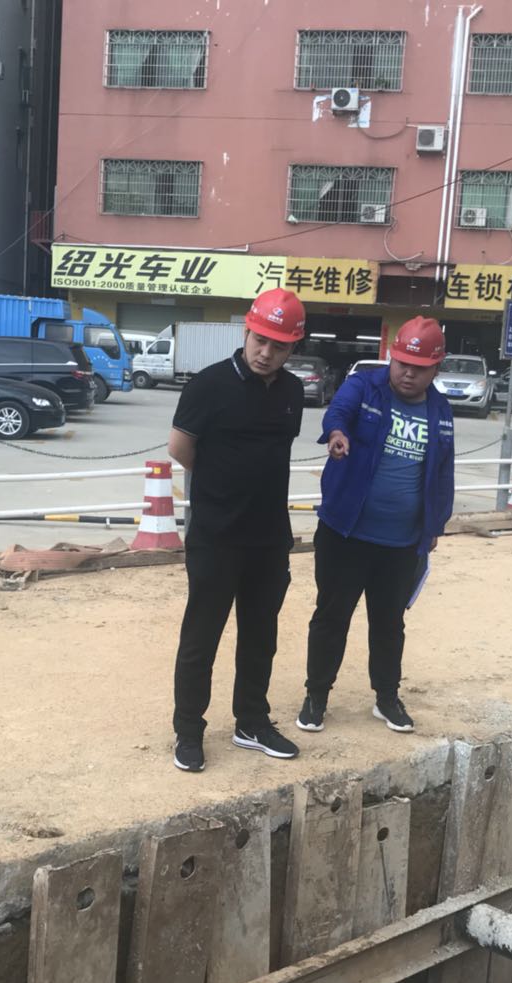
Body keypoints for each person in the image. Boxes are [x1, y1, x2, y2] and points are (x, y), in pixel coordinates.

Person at [167, 288, 307, 773]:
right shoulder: (207, 385)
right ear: (246, 332)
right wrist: (220, 486)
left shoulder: (292, 392)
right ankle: (188, 730)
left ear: (292, 348)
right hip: (216, 536)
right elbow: (180, 448)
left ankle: (251, 722)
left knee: (260, 635)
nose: (266, 352)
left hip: (269, 538)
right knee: (201, 637)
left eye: (279, 346)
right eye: (260, 340)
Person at [297, 317, 456, 736]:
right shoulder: (364, 386)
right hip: (345, 533)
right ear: (391, 357)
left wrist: (434, 525)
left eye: (419, 368)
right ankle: (316, 695)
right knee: (332, 617)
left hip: (400, 542)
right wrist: (336, 433)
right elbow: (339, 412)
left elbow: (442, 471)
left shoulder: (440, 410)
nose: (408, 373)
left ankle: (387, 697)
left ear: (436, 368)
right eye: (402, 363)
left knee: (389, 624)